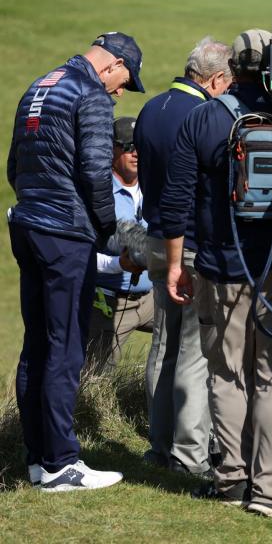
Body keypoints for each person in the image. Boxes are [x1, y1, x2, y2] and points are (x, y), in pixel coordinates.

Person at [160, 29, 272, 515]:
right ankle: (271, 493)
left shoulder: (205, 117)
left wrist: (177, 264)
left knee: (227, 375)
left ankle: (231, 479)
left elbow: (176, 203)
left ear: (234, 68)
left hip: (221, 268)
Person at [8, 32, 144, 490]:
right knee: (65, 346)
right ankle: (61, 464)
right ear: (112, 66)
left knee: (38, 345)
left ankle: (36, 458)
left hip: (27, 225)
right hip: (64, 234)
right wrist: (112, 232)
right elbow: (93, 172)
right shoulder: (90, 94)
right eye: (124, 81)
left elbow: (13, 165)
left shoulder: (39, 85)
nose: (120, 92)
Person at [136, 37, 233, 476]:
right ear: (215, 79)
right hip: (188, 245)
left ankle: (158, 446)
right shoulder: (200, 115)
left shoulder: (152, 106)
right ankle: (190, 454)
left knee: (164, 346)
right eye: (227, 83)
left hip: (154, 240)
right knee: (194, 354)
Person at [85, 116, 154, 374]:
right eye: (127, 147)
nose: (135, 153)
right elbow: (116, 239)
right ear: (110, 150)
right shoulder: (97, 193)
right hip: (111, 305)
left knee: (193, 331)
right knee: (93, 380)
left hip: (152, 297)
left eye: (140, 147)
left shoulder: (154, 185)